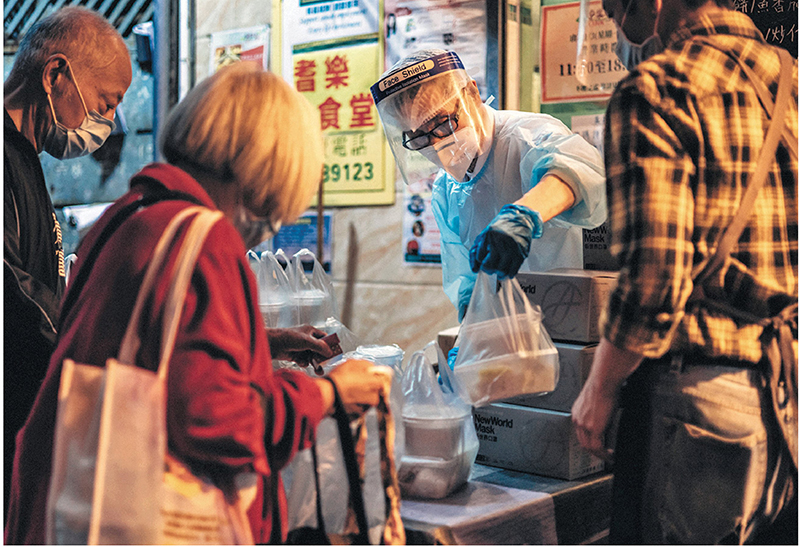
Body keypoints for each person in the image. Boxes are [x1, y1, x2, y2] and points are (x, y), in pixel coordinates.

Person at [4, 62, 389, 544]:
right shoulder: (202, 236)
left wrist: (263, 343)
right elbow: (212, 418)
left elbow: (156, 351)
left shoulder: (129, 215)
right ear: (265, 169)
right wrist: (329, 394)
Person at [571, 0, 798, 542]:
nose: (618, 27)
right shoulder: (790, 80)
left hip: (698, 404)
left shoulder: (656, 88)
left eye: (614, 10)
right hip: (785, 397)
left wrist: (599, 388)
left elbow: (654, 278)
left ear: (649, 5)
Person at [3, 6, 132, 515]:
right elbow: (11, 292)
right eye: (104, 103)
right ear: (56, 75)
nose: (107, 123)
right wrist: (105, 351)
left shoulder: (25, 160)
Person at [371, 49, 606, 321]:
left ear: (471, 93)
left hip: (565, 316)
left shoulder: (526, 136)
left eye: (443, 123)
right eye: (419, 138)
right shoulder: (446, 189)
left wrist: (523, 215)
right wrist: (470, 337)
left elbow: (582, 173)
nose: (437, 144)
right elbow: (465, 281)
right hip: (505, 337)